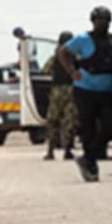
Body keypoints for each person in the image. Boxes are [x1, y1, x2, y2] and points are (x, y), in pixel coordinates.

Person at [55, 8, 112, 183]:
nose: (103, 23)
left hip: (106, 91)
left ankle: (87, 158)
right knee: (88, 129)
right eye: (99, 19)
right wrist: (72, 71)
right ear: (93, 21)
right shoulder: (83, 39)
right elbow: (63, 52)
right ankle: (91, 166)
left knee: (111, 127)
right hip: (85, 90)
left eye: (106, 19)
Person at [41, 30, 76, 162]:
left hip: (57, 92)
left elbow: (45, 70)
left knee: (53, 120)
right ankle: (67, 150)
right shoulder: (75, 56)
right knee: (70, 121)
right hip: (71, 90)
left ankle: (50, 151)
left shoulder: (55, 57)